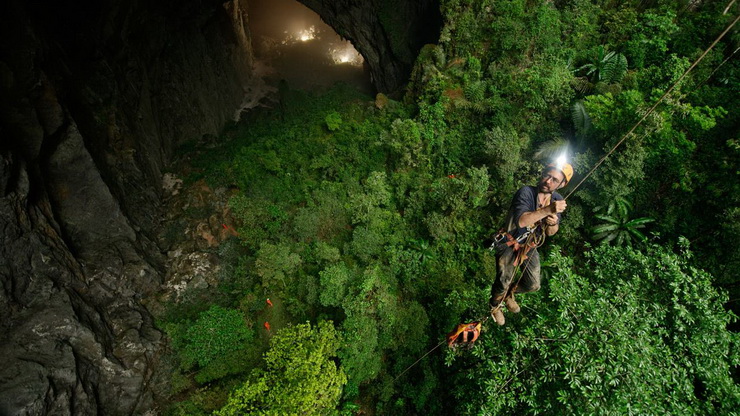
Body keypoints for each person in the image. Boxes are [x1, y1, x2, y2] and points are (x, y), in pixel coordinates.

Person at [489, 162, 573, 325]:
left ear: (562, 184)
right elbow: (521, 221)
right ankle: (494, 305)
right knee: (503, 280)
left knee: (533, 284)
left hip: (529, 245)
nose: (548, 181)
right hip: (508, 241)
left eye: (554, 180)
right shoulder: (526, 192)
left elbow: (550, 233)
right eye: (547, 175)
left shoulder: (557, 199)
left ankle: (509, 294)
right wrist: (548, 210)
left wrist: (553, 222)